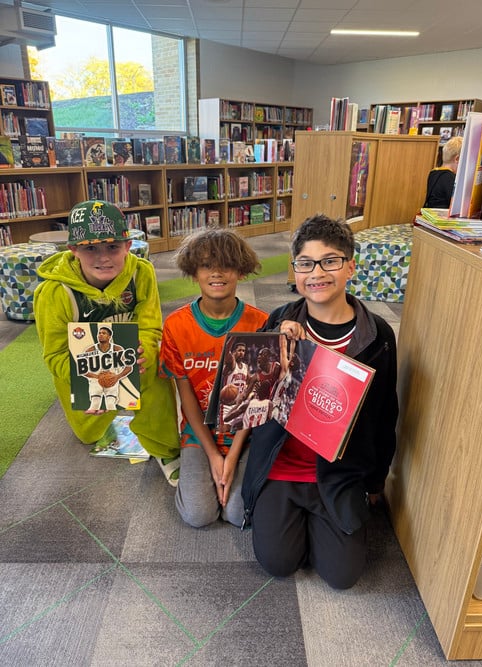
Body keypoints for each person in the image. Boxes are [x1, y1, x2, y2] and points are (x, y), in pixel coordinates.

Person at [238, 214, 399, 590]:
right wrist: (277, 343)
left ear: (350, 267)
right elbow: (251, 395)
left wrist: (375, 482)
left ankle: (321, 519)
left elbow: (384, 413)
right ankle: (291, 515)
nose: (317, 273)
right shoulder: (279, 319)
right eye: (306, 264)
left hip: (339, 472)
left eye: (330, 261)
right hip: (282, 464)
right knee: (278, 563)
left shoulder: (377, 335)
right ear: (295, 271)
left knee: (342, 576)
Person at [33, 199, 180, 483]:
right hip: (84, 375)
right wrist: (89, 385)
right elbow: (55, 356)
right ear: (73, 250)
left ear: (128, 245)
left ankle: (165, 448)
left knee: (157, 365)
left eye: (113, 246)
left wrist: (145, 353)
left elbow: (151, 330)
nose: (103, 257)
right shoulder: (53, 293)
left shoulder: (141, 273)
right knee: (89, 434)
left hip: (132, 364)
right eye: (90, 248)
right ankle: (100, 409)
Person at [159, 228, 268, 528]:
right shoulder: (176, 325)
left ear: (241, 271)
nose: (217, 273)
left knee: (237, 514)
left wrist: (231, 458)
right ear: (194, 272)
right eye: (207, 265)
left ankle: (238, 468)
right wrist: (212, 455)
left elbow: (255, 402)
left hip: (244, 432)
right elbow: (187, 398)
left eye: (227, 265)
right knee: (198, 515)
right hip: (199, 432)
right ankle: (195, 466)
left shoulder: (259, 323)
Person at [83, 324, 133, 413]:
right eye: (99, 333)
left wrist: (117, 377)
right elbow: (82, 370)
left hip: (112, 379)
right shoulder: (90, 350)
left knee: (110, 404)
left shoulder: (117, 349)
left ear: (109, 336)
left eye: (104, 333)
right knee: (95, 403)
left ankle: (112, 421)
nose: (100, 335)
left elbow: (129, 367)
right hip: (95, 379)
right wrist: (97, 377)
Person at [423, 136, 463, 208]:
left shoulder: (433, 173)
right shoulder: (450, 177)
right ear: (457, 159)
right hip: (441, 216)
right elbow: (456, 204)